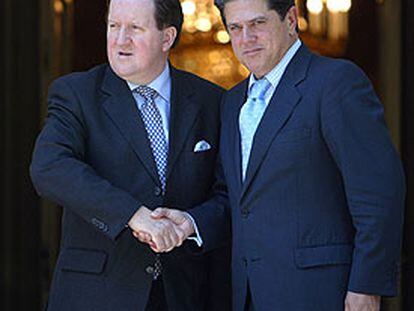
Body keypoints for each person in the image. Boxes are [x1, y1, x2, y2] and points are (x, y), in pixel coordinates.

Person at [145, 0, 406, 310]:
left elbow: (378, 193)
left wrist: (366, 287)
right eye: (236, 28)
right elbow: (234, 199)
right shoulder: (231, 103)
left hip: (322, 293)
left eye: (258, 23)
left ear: (291, 19)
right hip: (248, 294)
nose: (246, 38)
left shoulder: (336, 82)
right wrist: (190, 223)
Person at [29, 0, 231, 310]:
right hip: (98, 294)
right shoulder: (76, 94)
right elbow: (49, 167)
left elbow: (230, 194)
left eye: (135, 28)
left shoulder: (212, 101)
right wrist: (134, 216)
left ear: (167, 38)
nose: (120, 40)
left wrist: (191, 223)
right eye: (113, 26)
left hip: (186, 294)